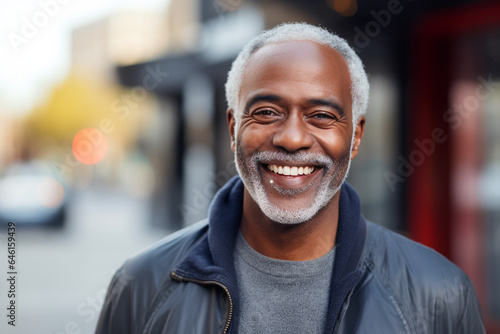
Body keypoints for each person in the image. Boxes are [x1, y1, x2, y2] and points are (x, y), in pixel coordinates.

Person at [95, 23, 485, 334]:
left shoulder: (440, 295)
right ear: (233, 128)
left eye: (322, 115)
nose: (293, 138)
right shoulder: (141, 285)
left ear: (356, 137)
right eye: (266, 112)